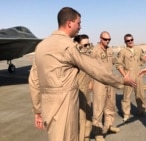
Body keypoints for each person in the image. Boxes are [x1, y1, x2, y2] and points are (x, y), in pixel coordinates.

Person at [28, 7, 136, 141]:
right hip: (65, 105)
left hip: (48, 106)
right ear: (69, 23)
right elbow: (95, 69)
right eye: (78, 23)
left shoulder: (41, 46)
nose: (80, 27)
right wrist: (120, 80)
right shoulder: (69, 46)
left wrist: (38, 110)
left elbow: (34, 81)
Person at [91, 31, 119, 141]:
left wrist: (121, 62)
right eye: (105, 39)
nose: (107, 41)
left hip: (110, 81)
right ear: (100, 38)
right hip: (99, 82)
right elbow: (89, 66)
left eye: (109, 39)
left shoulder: (110, 50)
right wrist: (90, 82)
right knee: (98, 108)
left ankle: (109, 126)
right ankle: (97, 132)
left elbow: (113, 61)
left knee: (110, 105)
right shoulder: (94, 51)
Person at [115, 33, 146, 122]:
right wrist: (125, 76)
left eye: (131, 40)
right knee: (126, 96)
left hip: (138, 74)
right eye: (128, 40)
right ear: (125, 42)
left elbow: (142, 61)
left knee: (140, 94)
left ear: (133, 40)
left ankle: (142, 111)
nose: (130, 42)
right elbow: (118, 65)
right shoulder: (123, 52)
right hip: (128, 75)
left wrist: (144, 59)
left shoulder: (138, 49)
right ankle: (126, 114)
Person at [73, 34, 93, 141]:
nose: (88, 47)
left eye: (89, 44)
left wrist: (91, 82)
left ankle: (86, 137)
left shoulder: (87, 55)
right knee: (81, 117)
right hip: (78, 90)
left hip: (87, 89)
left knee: (89, 115)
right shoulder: (74, 57)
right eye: (85, 45)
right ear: (77, 44)